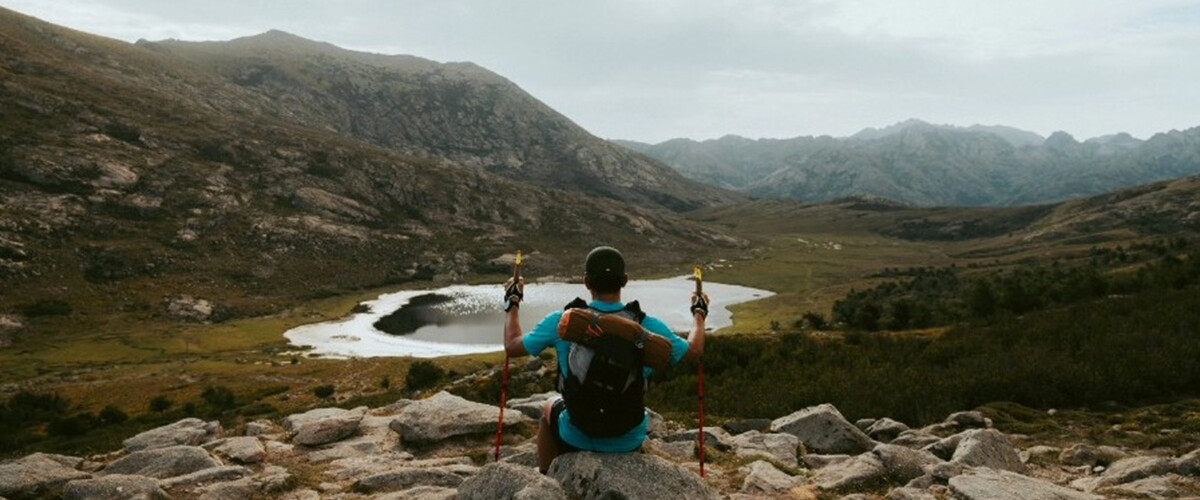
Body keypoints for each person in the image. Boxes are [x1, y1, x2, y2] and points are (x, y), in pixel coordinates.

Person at [502, 246, 709, 473]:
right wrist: (699, 312)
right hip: (628, 438)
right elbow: (694, 352)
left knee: (548, 408)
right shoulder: (647, 326)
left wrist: (513, 302)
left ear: (587, 282)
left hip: (576, 434)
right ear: (625, 280)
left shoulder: (564, 322)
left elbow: (512, 346)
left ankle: (547, 478)